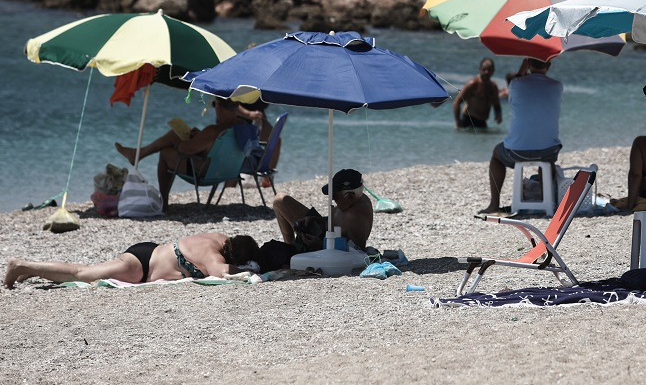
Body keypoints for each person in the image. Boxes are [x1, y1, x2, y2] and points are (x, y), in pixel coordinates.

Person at [113, 98, 246, 210]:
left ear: (220, 108)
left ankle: (163, 202)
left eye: (214, 105)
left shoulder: (213, 131)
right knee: (174, 135)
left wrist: (184, 141)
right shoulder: (243, 127)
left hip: (203, 172)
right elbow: (216, 147)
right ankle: (139, 153)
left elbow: (184, 149)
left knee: (166, 151)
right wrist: (200, 137)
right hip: (228, 172)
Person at [4, 233, 260, 289]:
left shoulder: (218, 238)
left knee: (86, 271)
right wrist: (252, 269)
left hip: (147, 251)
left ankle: (35, 271)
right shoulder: (214, 257)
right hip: (140, 267)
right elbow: (225, 274)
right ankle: (21, 265)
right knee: (82, 273)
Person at [481, 58, 563, 214]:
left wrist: (524, 64)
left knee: (496, 154)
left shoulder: (516, 84)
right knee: (548, 159)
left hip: (516, 153)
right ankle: (548, 202)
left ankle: (493, 204)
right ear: (549, 65)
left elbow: (518, 80)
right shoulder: (557, 86)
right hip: (548, 151)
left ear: (528, 64)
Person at [272, 168, 374, 252]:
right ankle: (289, 246)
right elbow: (338, 222)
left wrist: (320, 245)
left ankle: (290, 252)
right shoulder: (355, 199)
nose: (333, 199)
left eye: (335, 196)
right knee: (280, 200)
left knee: (279, 201)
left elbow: (357, 253)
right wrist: (315, 219)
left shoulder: (355, 216)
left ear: (350, 195)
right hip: (324, 233)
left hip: (325, 248)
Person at [453, 57, 502, 129]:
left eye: (489, 70)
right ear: (480, 69)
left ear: (493, 71)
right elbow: (457, 102)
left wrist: (498, 116)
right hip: (468, 121)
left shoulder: (493, 87)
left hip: (482, 122)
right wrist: (458, 121)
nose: (486, 72)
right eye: (484, 69)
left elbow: (496, 105)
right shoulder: (473, 84)